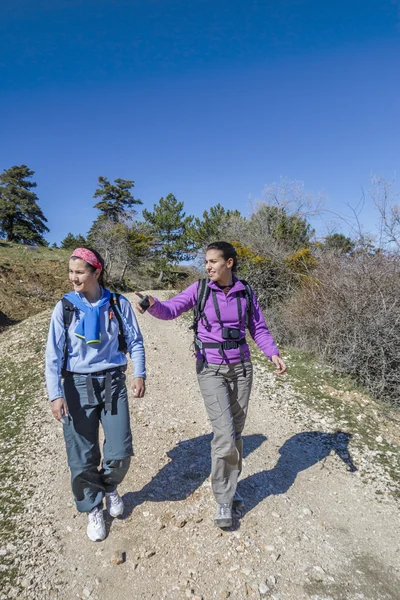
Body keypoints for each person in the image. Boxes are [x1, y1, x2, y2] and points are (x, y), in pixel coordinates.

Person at [135, 241, 286, 528]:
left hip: (242, 368)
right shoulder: (201, 289)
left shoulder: (246, 291)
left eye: (213, 261)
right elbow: (171, 310)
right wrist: (154, 305)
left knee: (237, 433)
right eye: (206, 262)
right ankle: (224, 500)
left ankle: (230, 484)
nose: (207, 266)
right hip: (210, 369)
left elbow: (258, 328)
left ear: (229, 263)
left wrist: (272, 353)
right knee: (225, 435)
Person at [45, 247, 146, 542]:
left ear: (96, 272)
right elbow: (53, 356)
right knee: (82, 455)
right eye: (70, 271)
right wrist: (55, 394)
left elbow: (136, 342)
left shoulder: (117, 303)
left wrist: (138, 373)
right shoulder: (64, 307)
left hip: (113, 381)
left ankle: (109, 486)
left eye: (79, 272)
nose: (73, 277)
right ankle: (92, 506)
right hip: (76, 386)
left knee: (121, 450)